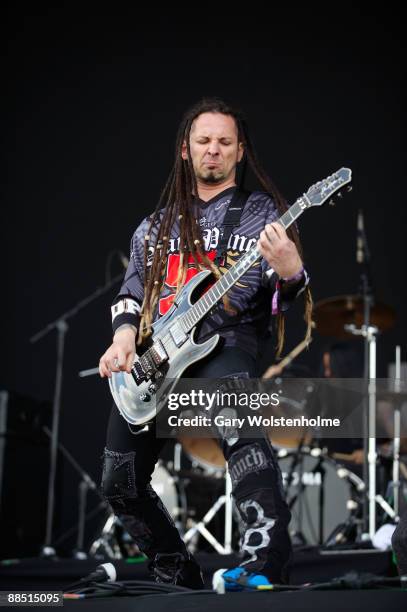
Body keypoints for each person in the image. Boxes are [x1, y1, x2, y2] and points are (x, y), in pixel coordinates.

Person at [98, 98, 312, 590]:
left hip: (225, 341)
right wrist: (124, 337)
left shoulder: (260, 213)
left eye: (224, 142)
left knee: (242, 435)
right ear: (185, 151)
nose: (213, 150)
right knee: (119, 480)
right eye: (203, 141)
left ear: (240, 152)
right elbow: (131, 293)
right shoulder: (154, 227)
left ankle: (264, 565)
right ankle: (176, 569)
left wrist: (291, 272)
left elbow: (289, 289)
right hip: (157, 359)